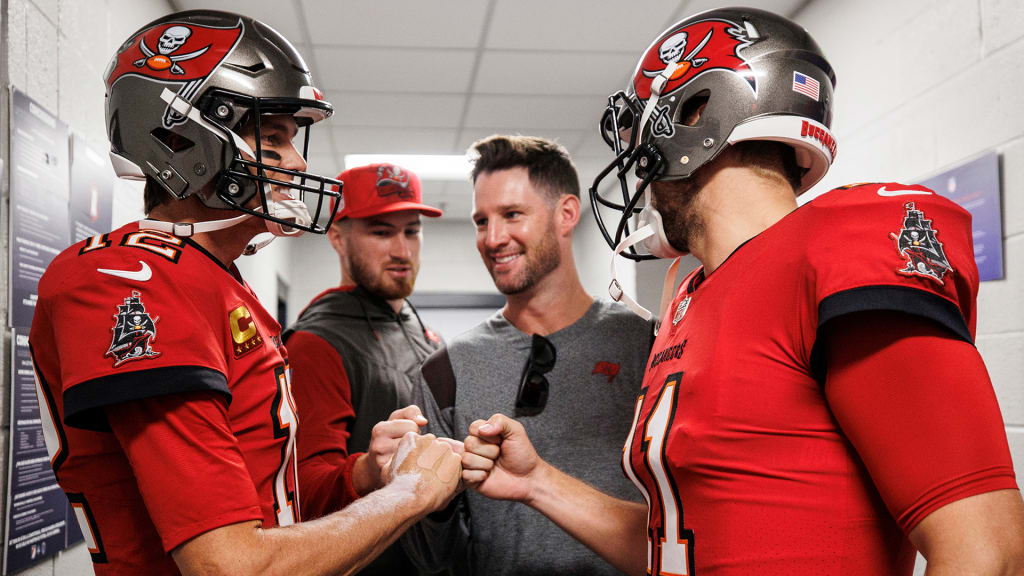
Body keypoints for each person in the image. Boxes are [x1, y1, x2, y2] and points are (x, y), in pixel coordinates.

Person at [460, 8, 1024, 576]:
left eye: (642, 144)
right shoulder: (690, 295)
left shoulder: (836, 248)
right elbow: (683, 544)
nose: (640, 175)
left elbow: (988, 553)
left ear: (695, 114)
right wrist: (538, 484)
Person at [29, 10, 461, 575]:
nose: (298, 162)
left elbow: (269, 503)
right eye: (272, 138)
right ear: (182, 139)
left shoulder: (211, 277)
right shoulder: (127, 280)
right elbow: (230, 565)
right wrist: (411, 495)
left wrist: (365, 476)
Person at [402, 135, 653, 575]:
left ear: (567, 214)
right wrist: (431, 498)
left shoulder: (647, 345)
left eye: (512, 214)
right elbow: (433, 560)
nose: (493, 238)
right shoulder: (445, 372)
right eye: (481, 221)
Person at [284, 162, 444, 575]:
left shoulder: (427, 336)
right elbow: (303, 489)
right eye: (381, 232)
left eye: (411, 230)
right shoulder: (316, 344)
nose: (402, 251)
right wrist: (370, 469)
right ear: (338, 237)